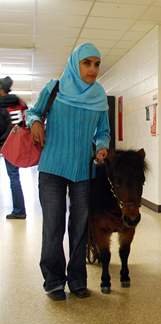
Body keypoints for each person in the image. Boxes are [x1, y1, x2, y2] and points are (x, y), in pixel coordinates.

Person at [27, 43, 110, 301]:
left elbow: (103, 132)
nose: (93, 69)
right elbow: (33, 112)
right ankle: (53, 281)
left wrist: (102, 147)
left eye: (97, 63)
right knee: (53, 225)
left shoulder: (99, 95)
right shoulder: (55, 87)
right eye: (87, 63)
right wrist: (36, 122)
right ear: (76, 64)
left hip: (83, 170)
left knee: (79, 227)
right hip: (52, 167)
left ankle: (77, 280)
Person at [0, 76, 28, 219]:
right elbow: (25, 122)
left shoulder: (1, 105)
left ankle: (19, 211)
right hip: (18, 143)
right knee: (14, 177)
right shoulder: (19, 102)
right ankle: (19, 209)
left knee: (13, 177)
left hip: (6, 144)